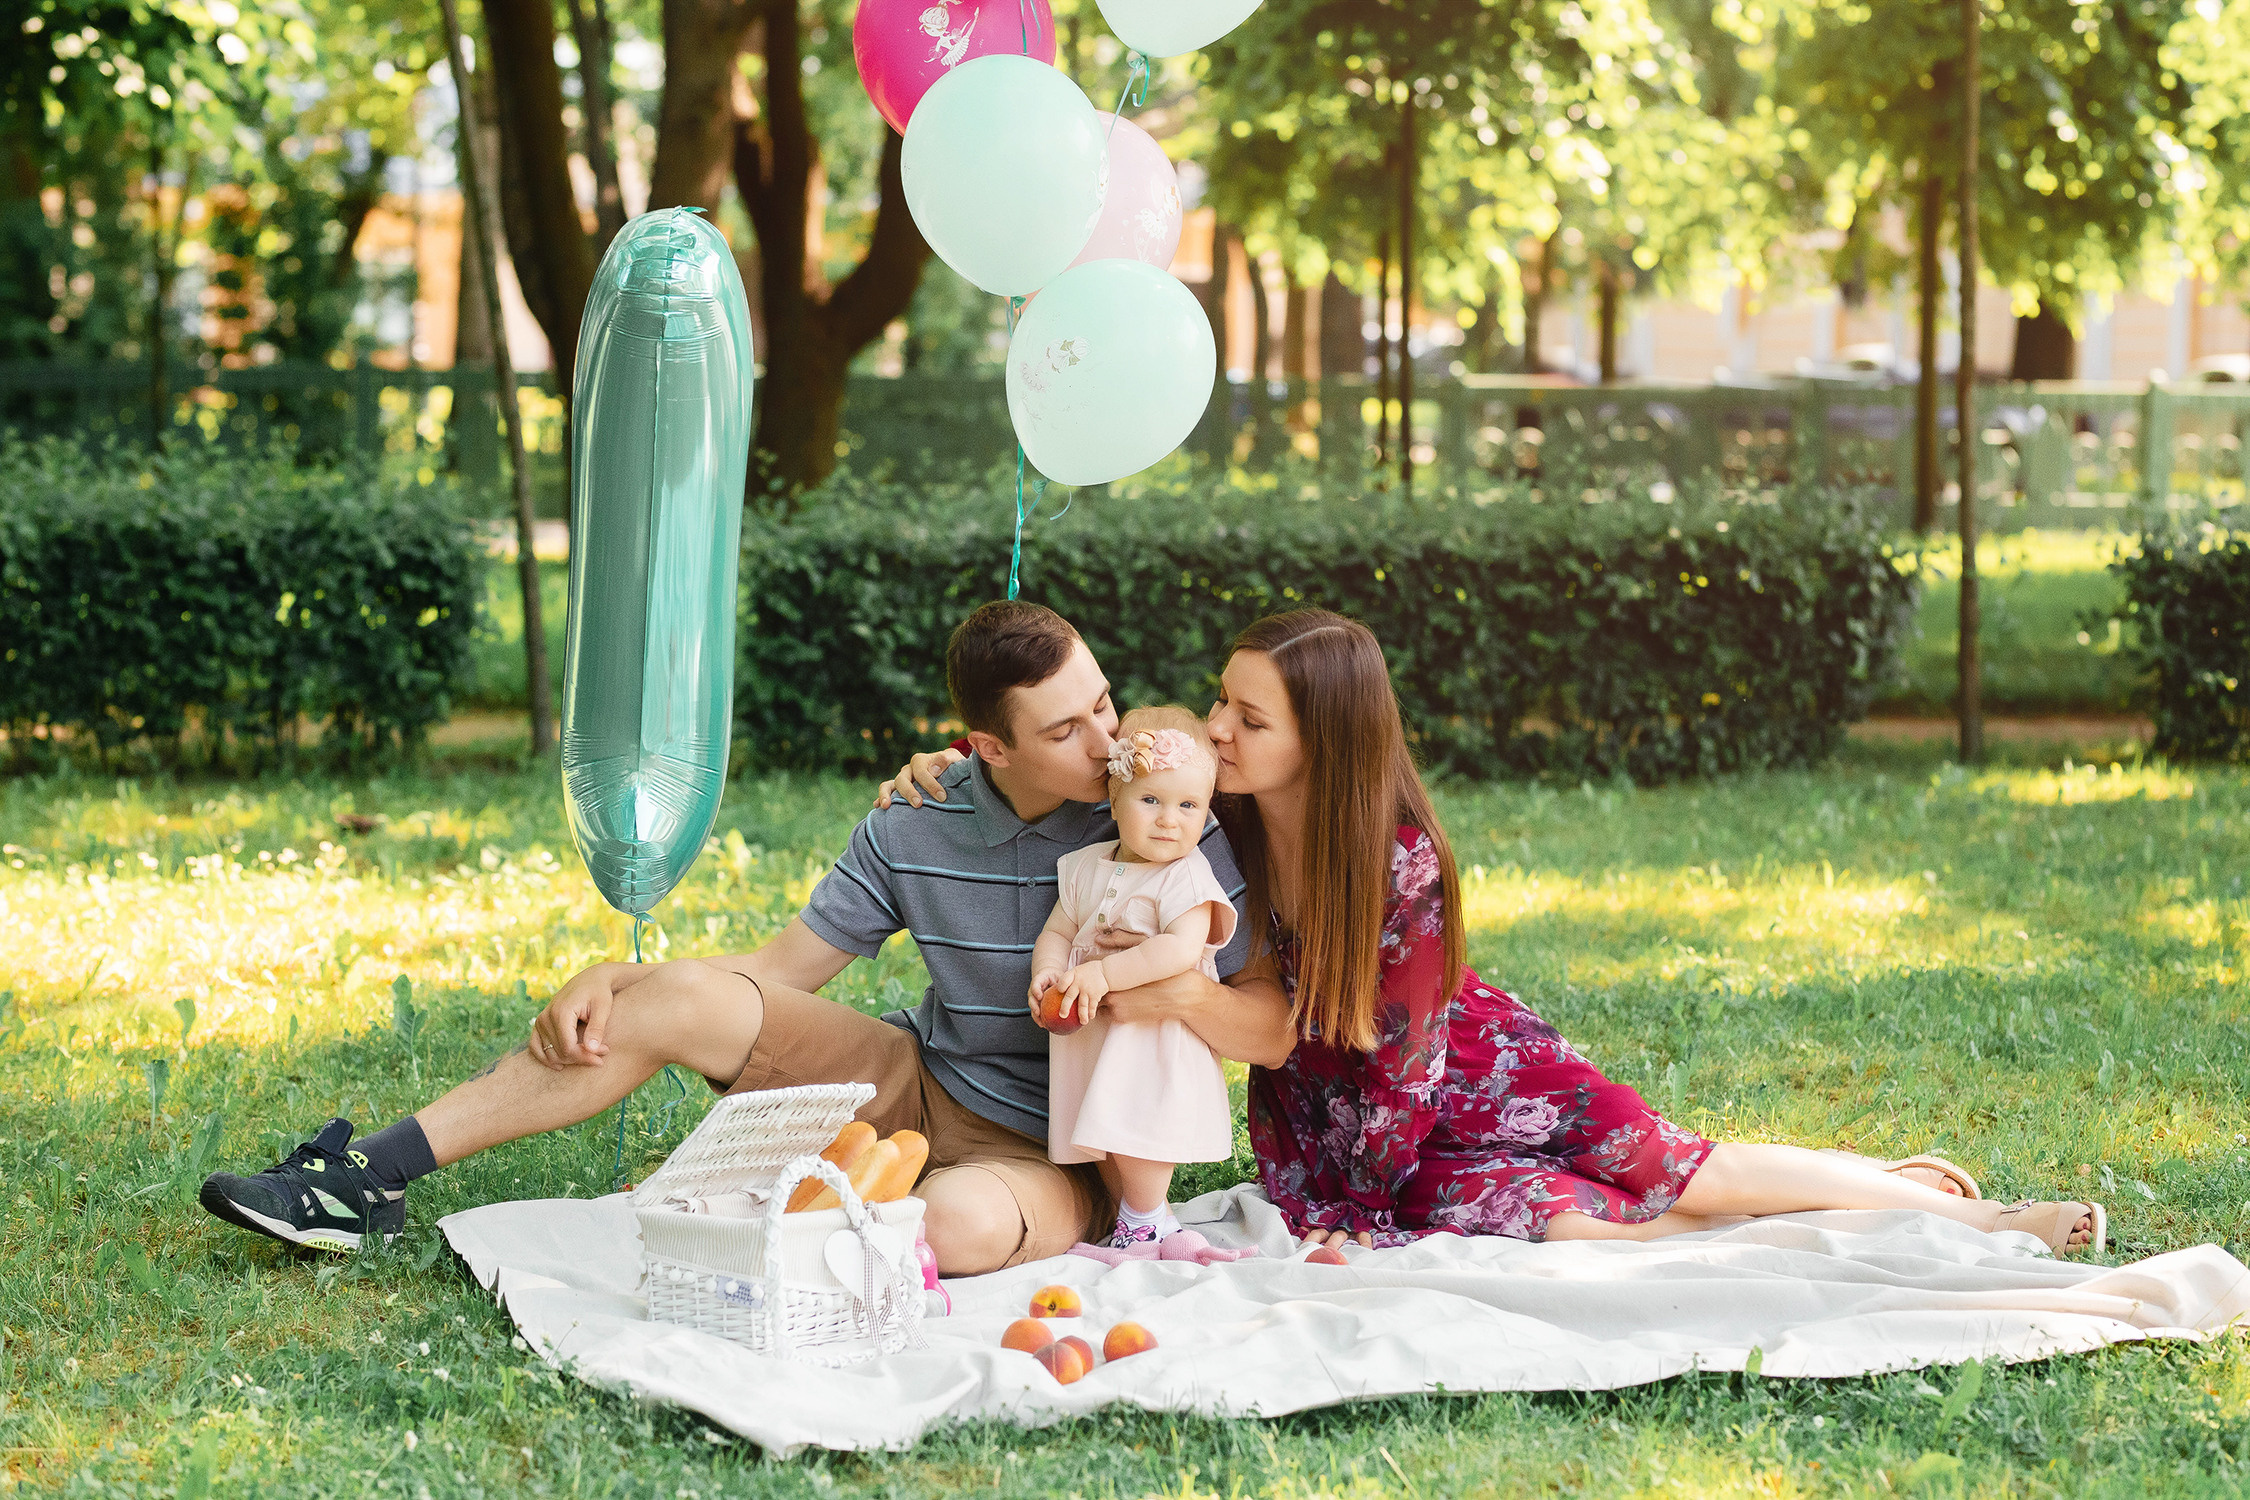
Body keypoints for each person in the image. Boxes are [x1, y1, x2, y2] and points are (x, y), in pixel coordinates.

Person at [883, 609, 2107, 1257]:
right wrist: (943, 769)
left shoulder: (1396, 861)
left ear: (1322, 735)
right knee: (1579, 1229)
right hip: (1333, 1109)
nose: (1216, 727)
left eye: (1245, 715)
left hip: (1460, 1077)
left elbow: (1404, 1062)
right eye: (1220, 703)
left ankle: (1971, 1222)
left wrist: (1360, 1210)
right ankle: (1864, 1194)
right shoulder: (1217, 821)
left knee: (1673, 1170)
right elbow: (1101, 766)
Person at [197, 601, 1291, 1273]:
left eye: (1103, 703)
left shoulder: (1163, 816)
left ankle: (791, 1202)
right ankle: (364, 1179)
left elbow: (1271, 1024)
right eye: (1066, 728)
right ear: (984, 747)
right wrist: (627, 975)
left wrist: (1163, 990)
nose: (1107, 741)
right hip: (912, 1077)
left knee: (950, 1229)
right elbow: (776, 973)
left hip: (1055, 1149)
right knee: (670, 1002)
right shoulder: (917, 814)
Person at [1030, 708, 1239, 1249]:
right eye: (1151, 801)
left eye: (1188, 806)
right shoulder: (1085, 866)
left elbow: (1179, 948)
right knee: (1110, 1120)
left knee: (1140, 1120)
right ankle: (1148, 1218)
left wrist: (1101, 972)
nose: (1170, 820)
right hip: (1100, 1030)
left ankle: (1142, 1220)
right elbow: (1059, 929)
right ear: (1115, 802)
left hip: (1155, 1033)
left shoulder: (1186, 875)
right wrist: (1049, 971)